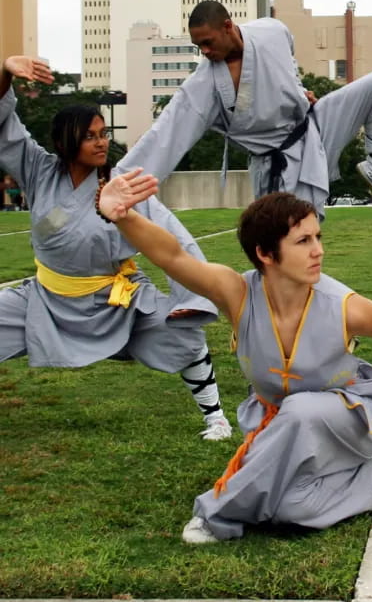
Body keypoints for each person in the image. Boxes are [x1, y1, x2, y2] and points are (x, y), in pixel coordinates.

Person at [97, 172, 372, 542]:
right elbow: (172, 257)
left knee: (301, 411)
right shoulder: (237, 293)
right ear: (266, 254)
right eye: (303, 241)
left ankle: (216, 513)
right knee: (290, 510)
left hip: (353, 417)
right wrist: (123, 215)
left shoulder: (344, 307)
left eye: (318, 237)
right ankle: (369, 476)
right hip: (279, 423)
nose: (318, 250)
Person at [0, 55, 232, 439]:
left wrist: (193, 296)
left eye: (103, 133)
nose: (101, 142)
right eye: (90, 135)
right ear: (65, 141)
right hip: (47, 297)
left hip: (116, 299)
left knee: (183, 334)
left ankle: (216, 418)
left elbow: (174, 238)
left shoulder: (122, 185)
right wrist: (6, 70)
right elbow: (5, 125)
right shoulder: (38, 170)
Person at [117, 0, 372, 218]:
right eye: (197, 45)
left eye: (207, 42)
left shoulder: (272, 30)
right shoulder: (204, 85)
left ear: (227, 26)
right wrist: (118, 185)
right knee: (293, 244)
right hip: (279, 166)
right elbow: (165, 135)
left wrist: (298, 91)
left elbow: (286, 62)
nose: (204, 51)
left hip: (313, 128)